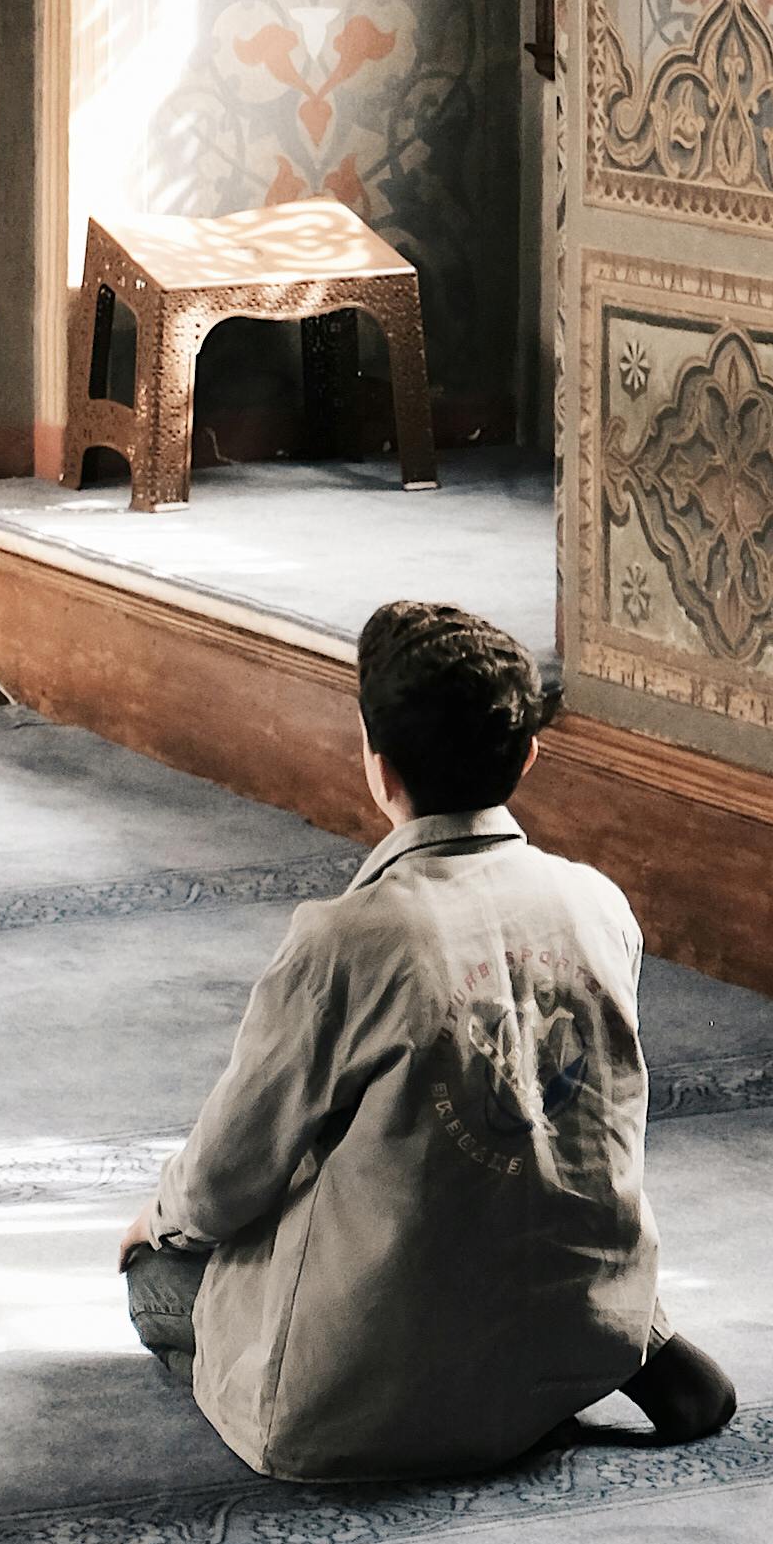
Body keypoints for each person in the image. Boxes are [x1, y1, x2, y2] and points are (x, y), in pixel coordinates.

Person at [118, 595, 738, 1486]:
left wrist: (155, 1222)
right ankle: (617, 1340)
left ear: (376, 761)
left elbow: (227, 1178)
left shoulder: (347, 940)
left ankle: (401, 1399)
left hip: (367, 1384)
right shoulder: (597, 903)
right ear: (527, 754)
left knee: (157, 1283)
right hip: (565, 1313)